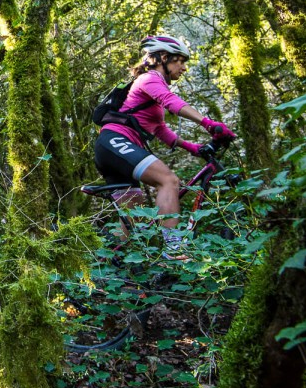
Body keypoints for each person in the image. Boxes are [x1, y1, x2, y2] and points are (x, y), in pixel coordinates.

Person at [93, 35, 237, 258]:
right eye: (180, 60)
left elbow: (160, 129)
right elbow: (171, 101)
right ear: (162, 58)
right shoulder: (149, 78)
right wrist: (208, 123)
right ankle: (174, 248)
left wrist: (194, 148)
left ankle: (107, 265)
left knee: (136, 223)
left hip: (112, 149)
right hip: (115, 141)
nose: (184, 68)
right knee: (168, 180)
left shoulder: (149, 92)